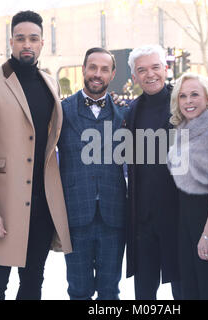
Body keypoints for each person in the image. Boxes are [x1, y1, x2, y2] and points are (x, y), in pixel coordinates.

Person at [0, 10, 72, 300]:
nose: (27, 44)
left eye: (33, 39)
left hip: (42, 206)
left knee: (33, 285)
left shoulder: (51, 83)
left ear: (42, 43)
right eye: (21, 38)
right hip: (2, 207)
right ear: (11, 42)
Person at [58, 47, 127, 300]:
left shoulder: (124, 113)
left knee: (110, 291)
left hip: (114, 217)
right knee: (78, 291)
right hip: (75, 216)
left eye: (104, 69)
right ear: (84, 69)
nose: (97, 74)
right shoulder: (61, 111)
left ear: (112, 74)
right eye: (92, 67)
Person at [167, 73, 208, 300]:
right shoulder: (182, 129)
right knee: (189, 289)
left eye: (195, 94)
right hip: (185, 219)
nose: (188, 101)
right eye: (183, 96)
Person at [125, 44, 181, 300]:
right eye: (142, 70)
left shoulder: (184, 104)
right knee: (144, 294)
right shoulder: (132, 112)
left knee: (184, 289)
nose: (150, 75)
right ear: (134, 77)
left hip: (179, 218)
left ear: (166, 68)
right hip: (143, 220)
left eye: (155, 67)